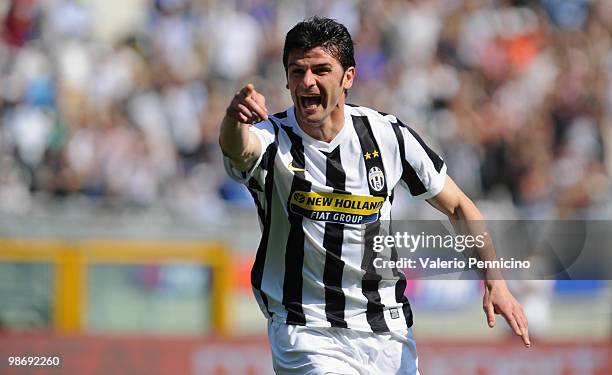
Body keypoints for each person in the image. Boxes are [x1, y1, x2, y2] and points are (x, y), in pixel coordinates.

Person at [220, 16, 530, 375]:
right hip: (307, 331)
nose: (307, 82)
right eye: (297, 71)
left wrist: (496, 283)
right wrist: (233, 118)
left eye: (321, 70)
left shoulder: (387, 135)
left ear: (348, 77)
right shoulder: (272, 138)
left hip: (387, 330)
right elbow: (238, 148)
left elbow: (459, 206)